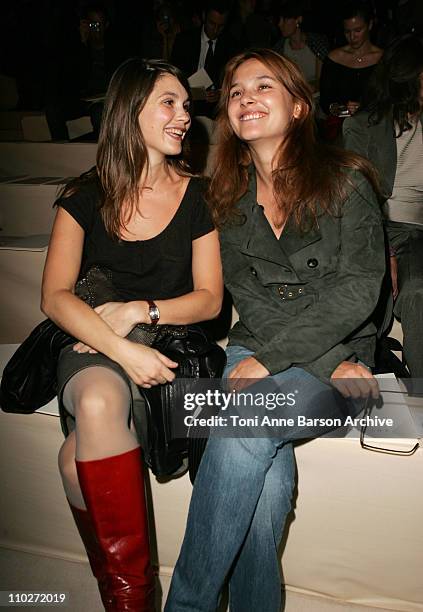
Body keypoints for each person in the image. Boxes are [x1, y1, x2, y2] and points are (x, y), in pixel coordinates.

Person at [164, 48, 385, 611]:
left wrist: (312, 360)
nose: (246, 99)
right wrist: (297, 358)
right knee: (263, 496)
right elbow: (249, 297)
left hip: (344, 359)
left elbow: (360, 289)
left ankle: (186, 605)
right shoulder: (226, 199)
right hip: (262, 346)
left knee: (238, 428)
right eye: (236, 92)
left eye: (264, 87)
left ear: (299, 106)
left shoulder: (346, 179)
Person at [41, 57, 223, 610]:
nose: (183, 115)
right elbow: (54, 297)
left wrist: (140, 311)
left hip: (166, 342)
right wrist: (116, 342)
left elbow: (210, 299)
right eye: (168, 102)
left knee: (75, 462)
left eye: (186, 105)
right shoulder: (84, 194)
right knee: (98, 395)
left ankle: (123, 596)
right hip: (87, 341)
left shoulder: (199, 194)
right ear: (129, 111)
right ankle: (135, 601)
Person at [343, 34, 423, 381]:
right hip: (373, 230)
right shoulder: (363, 126)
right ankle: (358, 389)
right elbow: (355, 201)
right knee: (366, 295)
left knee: (419, 292)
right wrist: (384, 249)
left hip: (418, 234)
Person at [319, 1, 382, 138]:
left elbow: (388, 98)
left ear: (370, 25)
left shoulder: (382, 59)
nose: (352, 37)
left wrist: (364, 108)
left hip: (375, 127)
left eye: (358, 30)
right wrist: (338, 109)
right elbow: (325, 100)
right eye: (347, 32)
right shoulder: (334, 58)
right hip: (339, 129)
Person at [171, 0, 237, 117]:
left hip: (215, 111)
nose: (216, 30)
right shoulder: (184, 40)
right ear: (203, 17)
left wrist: (221, 94)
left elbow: (234, 79)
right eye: (212, 24)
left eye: (221, 26)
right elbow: (174, 73)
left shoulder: (231, 45)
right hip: (185, 104)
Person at [273, 0, 329, 92]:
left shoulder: (316, 44)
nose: (280, 24)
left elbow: (323, 80)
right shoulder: (280, 48)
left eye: (285, 19)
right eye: (279, 20)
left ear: (298, 20)